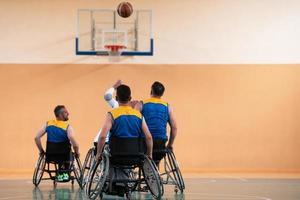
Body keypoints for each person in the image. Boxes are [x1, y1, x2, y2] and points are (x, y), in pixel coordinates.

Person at [96, 84, 153, 160]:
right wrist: (149, 154)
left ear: (116, 98)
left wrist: (98, 153)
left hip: (116, 154)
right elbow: (148, 137)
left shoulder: (112, 114)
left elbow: (103, 136)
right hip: (135, 153)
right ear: (130, 98)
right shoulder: (139, 115)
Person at [34, 105, 80, 182]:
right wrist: (77, 152)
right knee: (69, 153)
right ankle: (64, 173)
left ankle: (61, 173)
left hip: (50, 156)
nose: (68, 113)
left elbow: (36, 138)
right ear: (61, 114)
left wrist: (41, 151)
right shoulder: (68, 127)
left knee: (61, 154)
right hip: (65, 156)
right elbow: (75, 144)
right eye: (66, 112)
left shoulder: (48, 124)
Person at [135, 81, 177, 163]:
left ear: (151, 91)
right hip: (160, 143)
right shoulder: (167, 106)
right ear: (162, 94)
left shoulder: (141, 104)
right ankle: (155, 172)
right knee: (157, 159)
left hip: (144, 143)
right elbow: (174, 127)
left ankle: (148, 172)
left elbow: (133, 122)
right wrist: (170, 144)